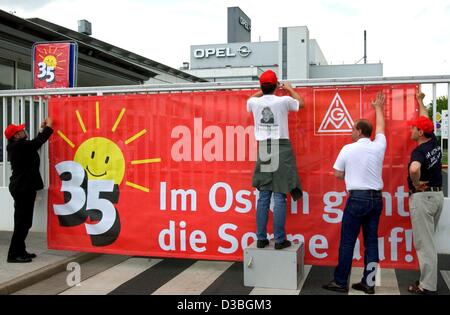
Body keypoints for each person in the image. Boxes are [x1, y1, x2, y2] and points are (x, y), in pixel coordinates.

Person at [323, 92, 386, 294]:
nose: (351, 132)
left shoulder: (347, 149)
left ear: (359, 131)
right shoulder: (379, 146)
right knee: (371, 243)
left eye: (352, 129)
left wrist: (350, 174)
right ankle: (369, 284)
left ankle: (341, 282)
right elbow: (382, 128)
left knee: (348, 241)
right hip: (376, 199)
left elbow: (337, 173)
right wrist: (379, 108)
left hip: (357, 198)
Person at [247, 70, 304, 250]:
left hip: (265, 148)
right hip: (281, 147)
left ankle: (261, 238)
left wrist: (262, 90)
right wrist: (289, 88)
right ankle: (279, 240)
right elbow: (301, 103)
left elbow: (251, 98)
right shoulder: (283, 100)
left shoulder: (254, 103)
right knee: (279, 194)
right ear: (276, 85)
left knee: (264, 195)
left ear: (261, 86)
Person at [406, 91, 444, 295]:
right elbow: (426, 119)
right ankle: (426, 281)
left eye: (413, 128)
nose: (410, 130)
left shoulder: (419, 151)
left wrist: (415, 182)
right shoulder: (434, 141)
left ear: (420, 132)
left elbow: (414, 169)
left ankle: (427, 287)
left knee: (425, 245)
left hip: (424, 198)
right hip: (437, 197)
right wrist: (421, 102)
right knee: (429, 243)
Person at [4, 118, 54, 263]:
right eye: (20, 130)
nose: (23, 130)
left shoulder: (19, 145)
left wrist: (41, 130)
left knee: (25, 222)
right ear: (16, 136)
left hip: (24, 187)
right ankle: (13, 255)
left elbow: (33, 144)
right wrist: (48, 128)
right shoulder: (18, 147)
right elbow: (37, 142)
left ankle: (20, 250)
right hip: (22, 188)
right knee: (22, 223)